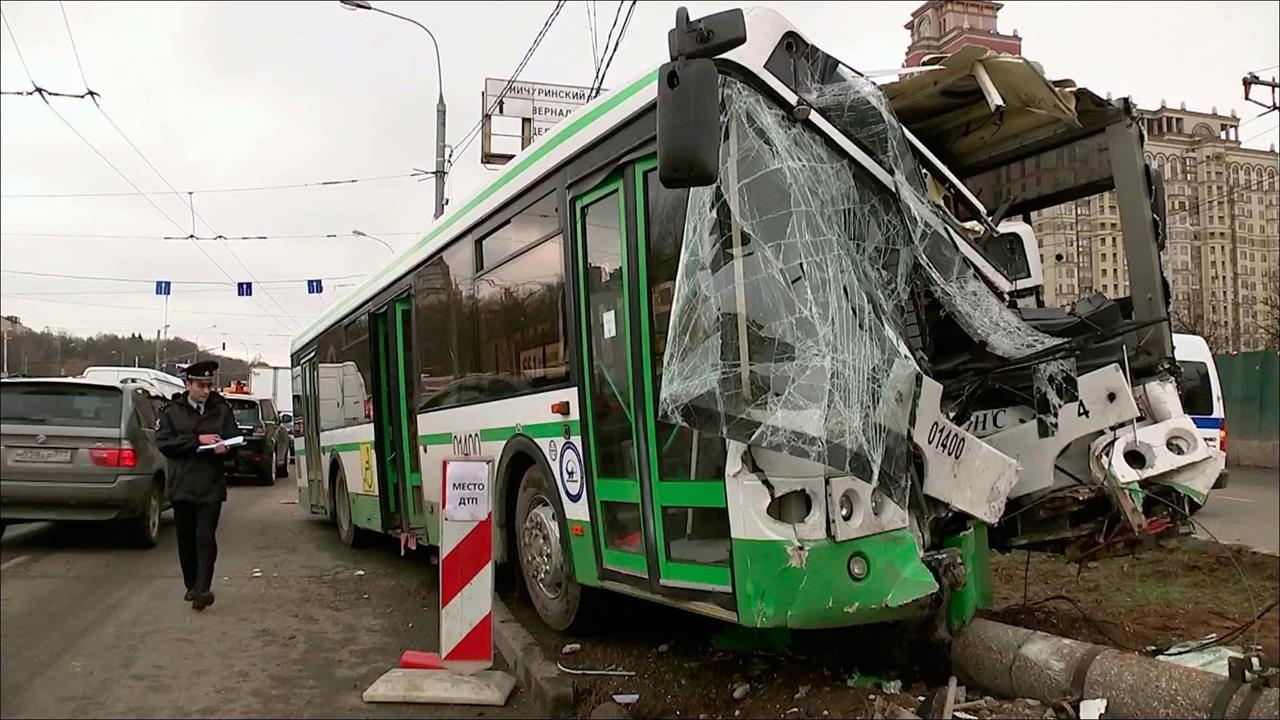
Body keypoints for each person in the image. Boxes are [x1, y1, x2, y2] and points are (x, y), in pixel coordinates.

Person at [155, 360, 240, 611]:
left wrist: (226, 449)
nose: (205, 391)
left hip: (211, 484)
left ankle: (204, 588)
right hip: (183, 484)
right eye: (200, 385)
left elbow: (233, 441)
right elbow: (164, 443)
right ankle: (191, 585)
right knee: (187, 538)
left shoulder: (221, 409)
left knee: (205, 537)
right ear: (188, 384)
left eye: (209, 385)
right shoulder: (173, 411)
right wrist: (196, 440)